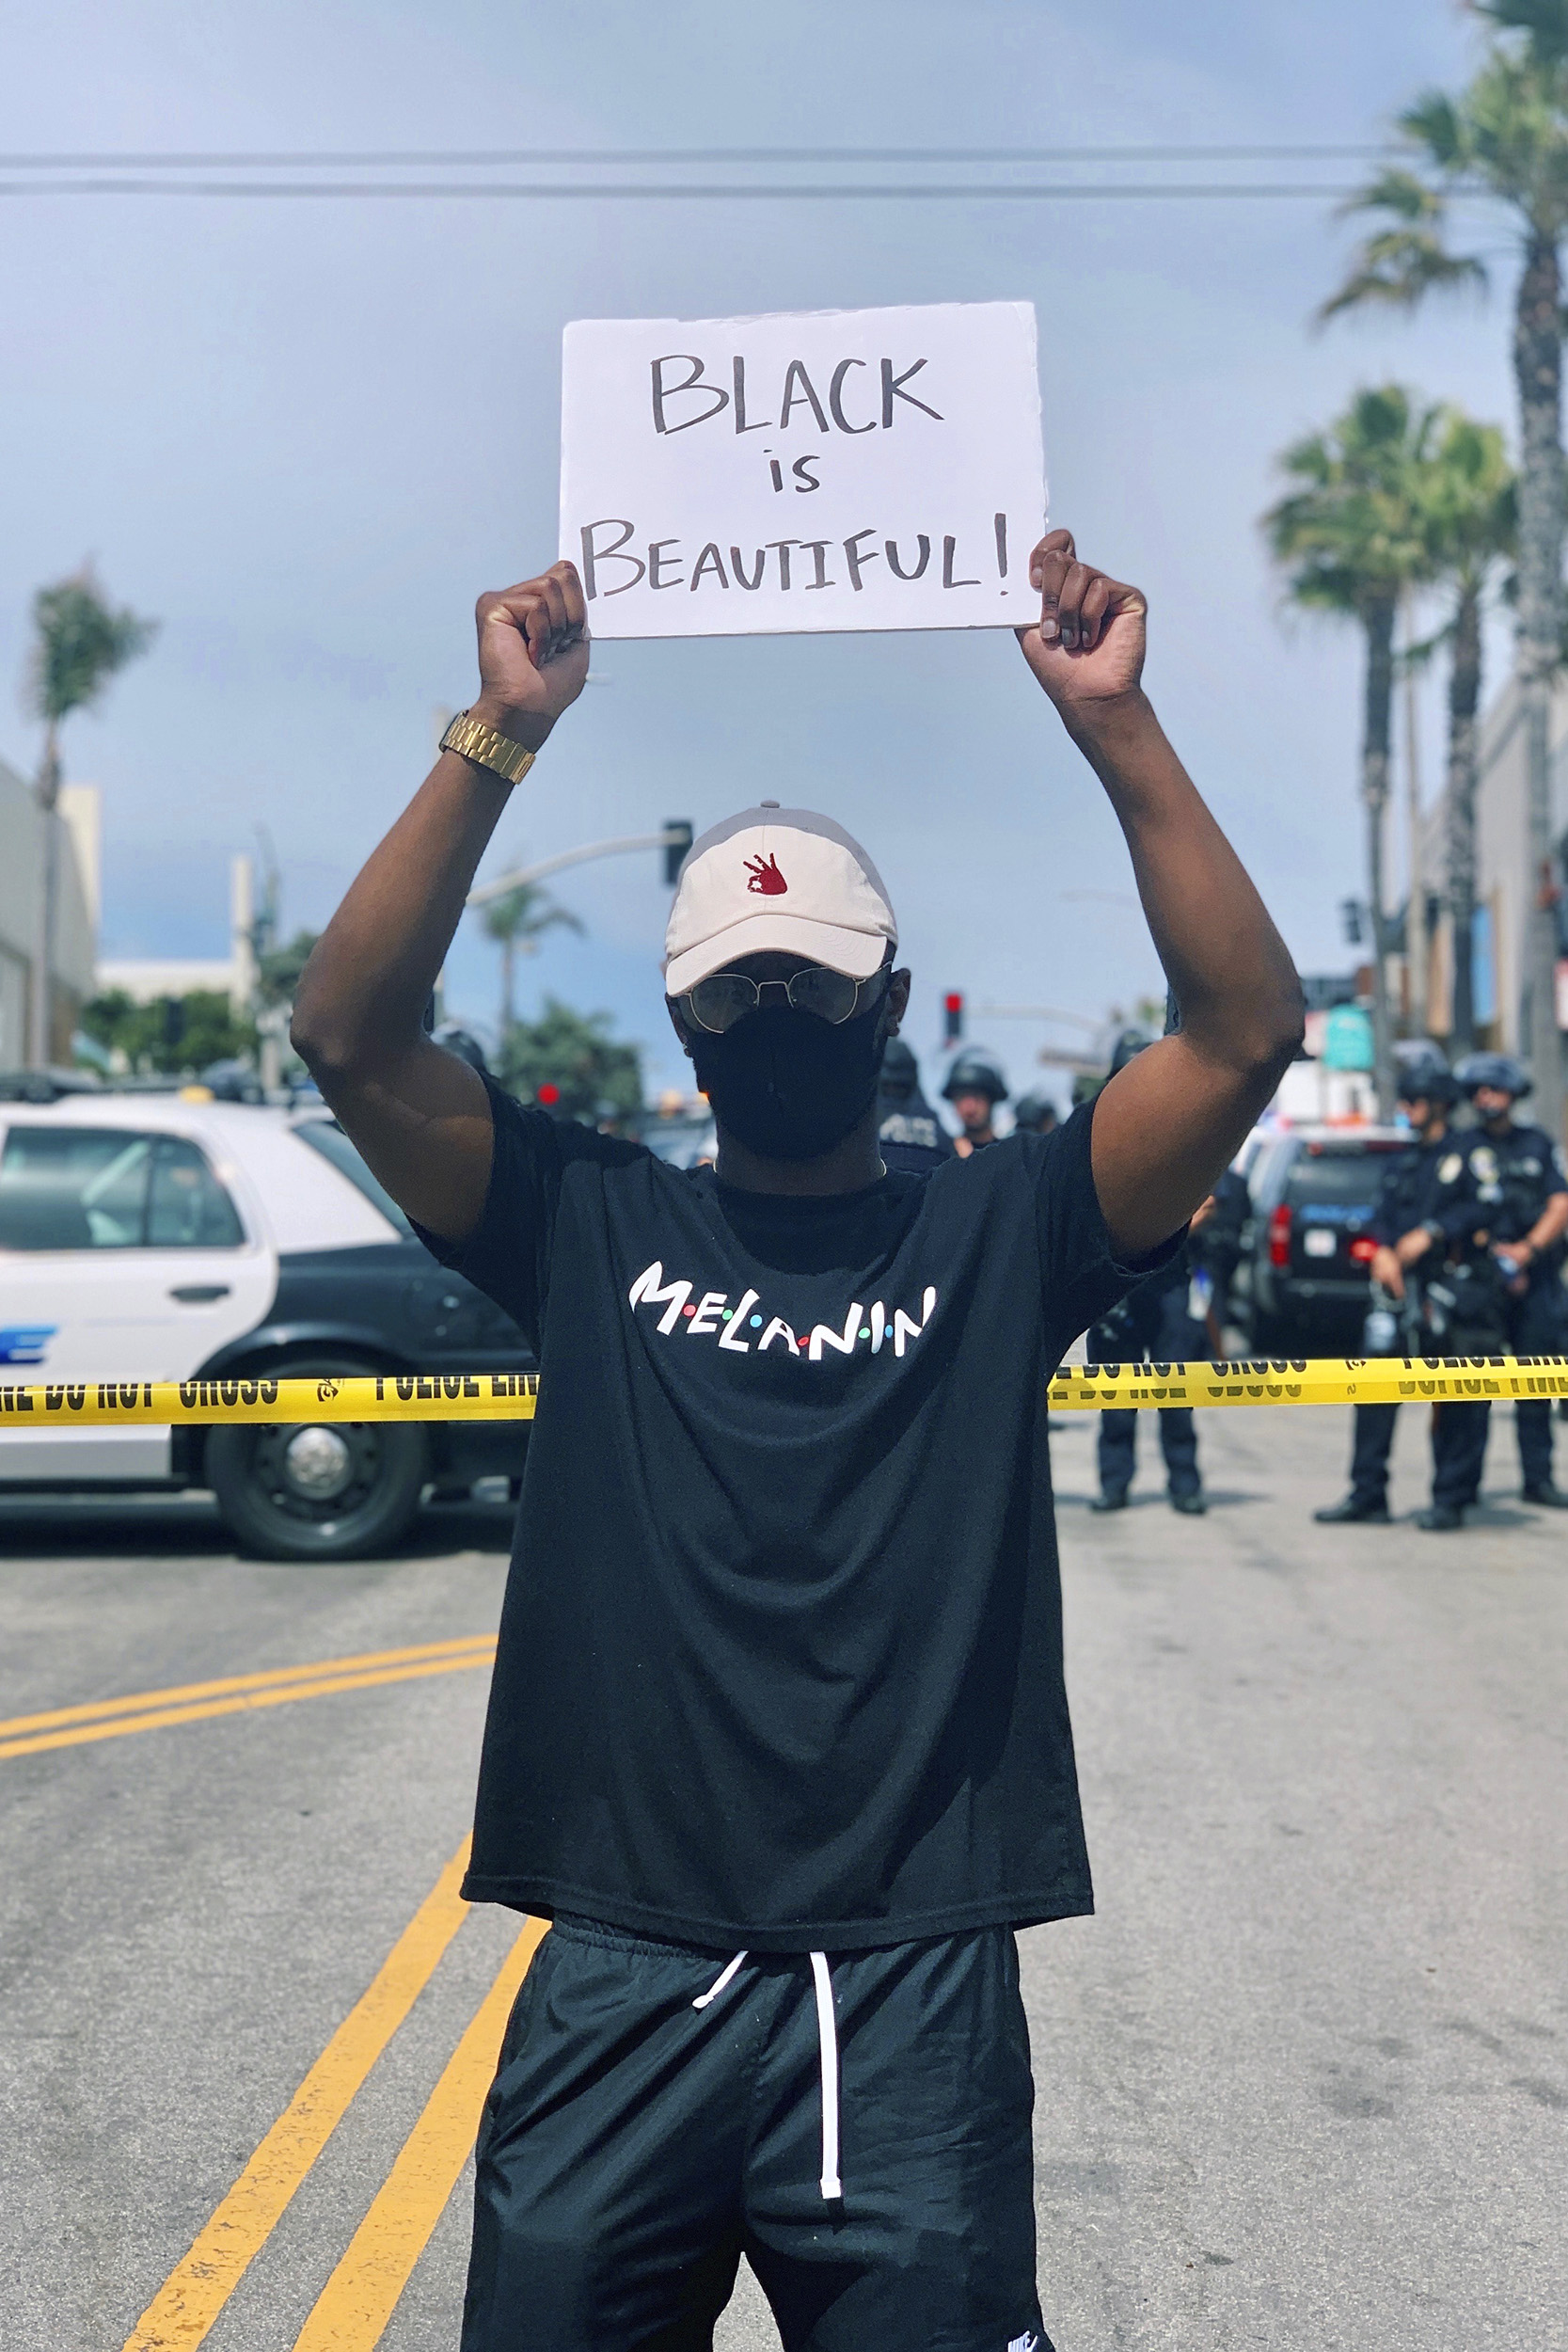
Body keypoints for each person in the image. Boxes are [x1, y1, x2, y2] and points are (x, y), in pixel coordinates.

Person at [290, 526, 1304, 2352]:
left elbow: (1240, 1035)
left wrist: (1116, 722)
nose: (776, 1011)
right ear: (682, 1025)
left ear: (891, 1006)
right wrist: (497, 735)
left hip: (905, 1986)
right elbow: (350, 1034)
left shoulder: (998, 1229)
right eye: (741, 984)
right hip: (622, 1965)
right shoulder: (582, 1218)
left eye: (813, 979)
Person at [1405, 1051, 1568, 1528]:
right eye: (1478, 1090)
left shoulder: (1536, 1144)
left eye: (1495, 1089)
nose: (1485, 1097)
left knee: (1536, 1383)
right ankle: (1460, 1488)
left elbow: (1560, 1204)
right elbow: (1445, 1209)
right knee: (1469, 1388)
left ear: (1514, 1095)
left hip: (1533, 1277)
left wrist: (1527, 1251)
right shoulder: (1459, 1147)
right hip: (1476, 1285)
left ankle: (1538, 1479)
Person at [1313, 1050, 1460, 1526]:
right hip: (1396, 1293)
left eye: (1417, 1098)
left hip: (1448, 1291)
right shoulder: (1404, 1158)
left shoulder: (1466, 1155)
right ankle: (1368, 1493)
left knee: (1454, 1399)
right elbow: (1379, 1216)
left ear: (1438, 1102)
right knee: (1374, 1390)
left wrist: (1434, 1232)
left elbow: (1483, 1211)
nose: (1410, 1107)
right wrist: (1381, 1250)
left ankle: (1450, 1498)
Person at [875, 1035, 956, 1173]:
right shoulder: (938, 1130)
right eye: (888, 1086)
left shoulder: (860, 1126)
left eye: (898, 1086)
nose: (892, 1089)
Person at [942, 1047, 1008, 1152]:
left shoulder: (1009, 1156)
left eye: (977, 1097)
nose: (970, 1108)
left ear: (992, 1100)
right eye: (961, 1097)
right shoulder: (942, 1155)